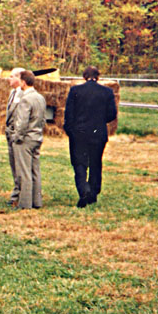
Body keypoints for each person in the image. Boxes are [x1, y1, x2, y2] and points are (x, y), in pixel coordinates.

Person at [63, 66, 117, 208]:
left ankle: (83, 189)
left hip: (79, 133)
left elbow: (69, 114)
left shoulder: (75, 91)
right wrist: (99, 121)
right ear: (98, 77)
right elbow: (112, 114)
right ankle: (93, 192)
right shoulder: (107, 92)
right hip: (98, 133)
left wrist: (70, 130)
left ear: (84, 76)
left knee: (79, 163)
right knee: (95, 163)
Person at [10, 70, 46, 210]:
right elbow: (43, 119)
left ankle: (25, 203)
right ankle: (37, 201)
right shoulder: (40, 97)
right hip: (37, 137)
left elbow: (22, 122)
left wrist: (17, 137)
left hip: (25, 139)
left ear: (23, 82)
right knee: (35, 170)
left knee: (24, 171)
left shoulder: (25, 99)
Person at [5, 67, 25, 206]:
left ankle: (20, 194)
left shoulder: (24, 95)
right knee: (13, 165)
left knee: (20, 166)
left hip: (18, 135)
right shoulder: (12, 93)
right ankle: (17, 190)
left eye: (12, 76)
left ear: (19, 79)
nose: (9, 79)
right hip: (9, 134)